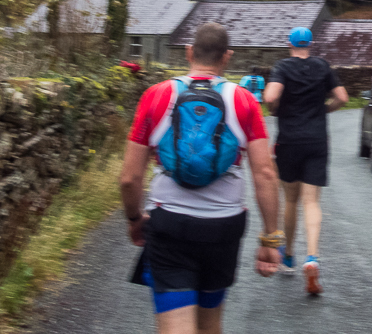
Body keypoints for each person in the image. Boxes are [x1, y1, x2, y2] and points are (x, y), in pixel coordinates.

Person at [120, 23, 283, 334]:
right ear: (227, 57)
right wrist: (269, 239)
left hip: (170, 224)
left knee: (175, 324)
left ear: (189, 52)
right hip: (224, 228)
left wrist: (133, 218)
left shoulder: (157, 95)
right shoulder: (244, 100)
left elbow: (130, 177)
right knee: (210, 324)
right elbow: (264, 173)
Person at [263, 26, 348, 295]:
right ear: (310, 44)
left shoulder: (282, 67)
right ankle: (312, 258)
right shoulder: (323, 66)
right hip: (316, 141)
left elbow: (270, 97)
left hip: (289, 140)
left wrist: (275, 109)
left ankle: (287, 255)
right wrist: (324, 109)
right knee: (312, 202)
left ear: (289, 44)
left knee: (291, 200)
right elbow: (342, 98)